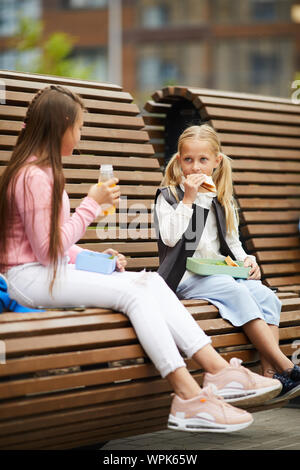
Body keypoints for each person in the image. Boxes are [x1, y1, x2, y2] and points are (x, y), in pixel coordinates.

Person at [0, 86, 281, 435]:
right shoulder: (32, 176)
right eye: (80, 127)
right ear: (65, 124)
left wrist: (93, 256)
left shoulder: (43, 173)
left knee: (149, 281)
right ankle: (189, 396)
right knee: (133, 295)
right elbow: (45, 250)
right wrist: (91, 205)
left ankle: (219, 372)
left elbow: (53, 246)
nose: (81, 135)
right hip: (26, 278)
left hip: (46, 270)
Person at [154, 123, 300, 405]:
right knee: (234, 289)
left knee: (267, 296)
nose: (195, 167)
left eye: (203, 160)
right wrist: (189, 199)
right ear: (179, 160)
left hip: (215, 273)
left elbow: (233, 243)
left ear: (216, 161)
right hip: (182, 276)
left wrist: (248, 261)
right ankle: (286, 367)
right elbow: (172, 239)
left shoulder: (221, 197)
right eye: (188, 160)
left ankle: (270, 376)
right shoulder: (169, 196)